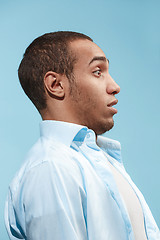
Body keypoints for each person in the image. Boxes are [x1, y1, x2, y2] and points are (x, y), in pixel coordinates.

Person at [5, 31, 160, 240]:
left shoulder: (101, 162)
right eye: (98, 71)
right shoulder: (51, 168)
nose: (115, 87)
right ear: (56, 85)